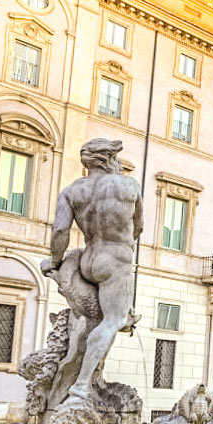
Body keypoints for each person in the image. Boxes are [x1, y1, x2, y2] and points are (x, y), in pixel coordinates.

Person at [40, 138, 142, 404]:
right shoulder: (129, 186)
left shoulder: (73, 191)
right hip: (115, 260)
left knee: (91, 323)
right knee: (113, 321)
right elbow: (138, 226)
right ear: (110, 159)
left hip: (87, 259)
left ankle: (76, 378)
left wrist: (55, 260)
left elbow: (60, 231)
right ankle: (80, 387)